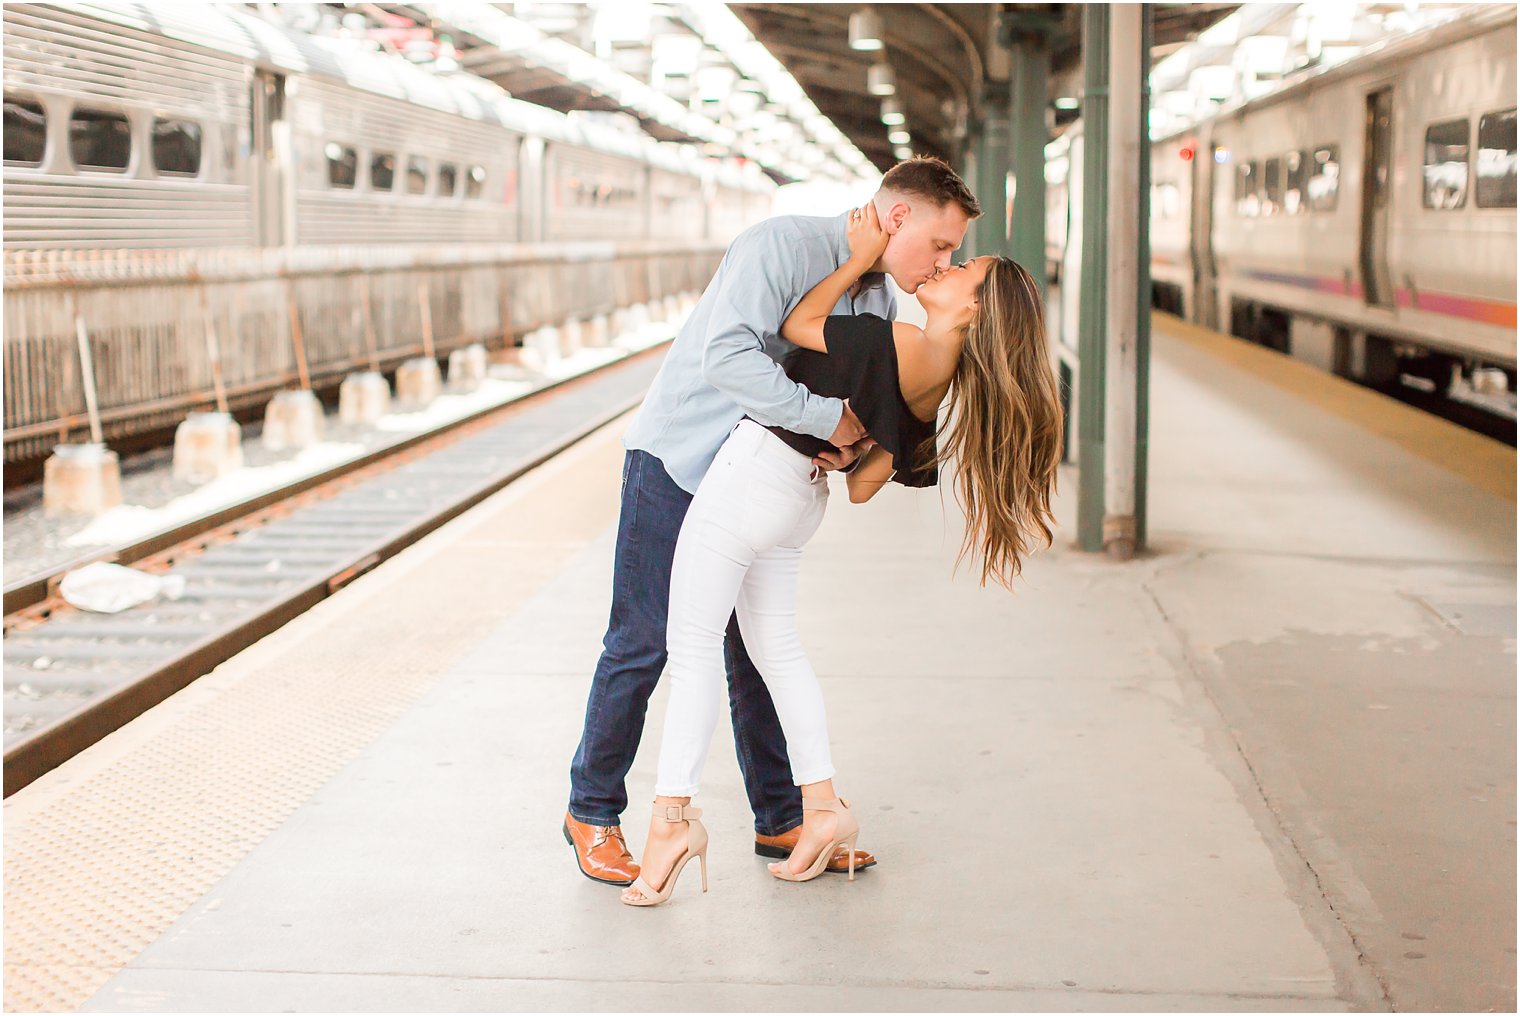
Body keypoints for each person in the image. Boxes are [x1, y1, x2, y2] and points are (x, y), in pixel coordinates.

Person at [620, 203, 1064, 906]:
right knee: (781, 652)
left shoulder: (897, 339)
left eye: (961, 268)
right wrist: (854, 434)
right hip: (801, 501)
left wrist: (856, 261)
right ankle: (823, 810)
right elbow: (861, 483)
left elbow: (795, 327)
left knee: (695, 642)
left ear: (976, 310)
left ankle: (671, 823)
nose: (945, 266)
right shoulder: (938, 384)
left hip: (751, 478)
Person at [564, 158, 981, 887]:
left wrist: (859, 444)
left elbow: (849, 398)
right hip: (682, 459)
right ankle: (592, 810)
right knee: (644, 641)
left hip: (754, 486)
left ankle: (780, 815)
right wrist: (830, 422)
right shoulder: (781, 247)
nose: (941, 263)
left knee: (757, 649)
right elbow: (728, 355)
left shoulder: (879, 301)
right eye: (940, 246)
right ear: (898, 217)